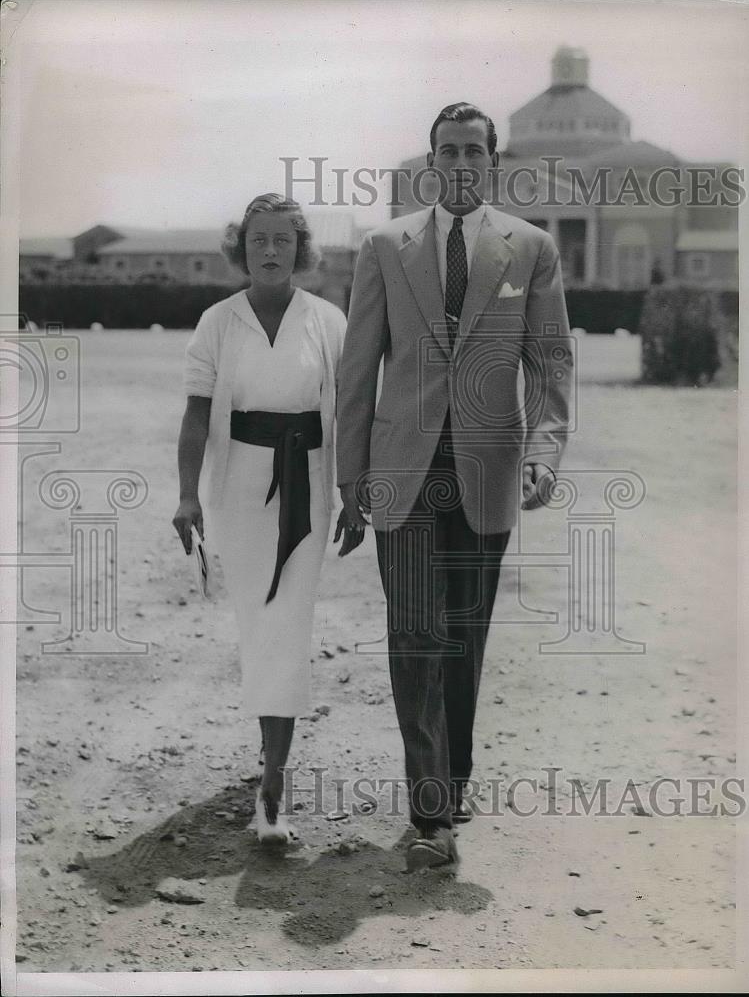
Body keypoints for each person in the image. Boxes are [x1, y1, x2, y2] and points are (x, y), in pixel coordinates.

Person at [335, 103, 573, 871]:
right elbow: (357, 367)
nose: (461, 164)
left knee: (462, 637)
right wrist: (349, 477)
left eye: (474, 151)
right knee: (414, 633)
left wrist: (543, 450)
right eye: (448, 151)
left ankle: (453, 781)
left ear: (492, 161)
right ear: (430, 162)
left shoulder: (529, 247)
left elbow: (550, 363)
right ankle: (429, 815)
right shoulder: (383, 245)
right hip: (401, 470)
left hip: (487, 468)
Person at [173, 194, 351, 845]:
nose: (270, 252)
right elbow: (196, 415)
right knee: (259, 627)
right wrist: (187, 496)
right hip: (238, 488)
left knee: (288, 625)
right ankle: (268, 758)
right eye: (257, 241)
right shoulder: (216, 323)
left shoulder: (328, 321)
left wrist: (353, 492)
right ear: (240, 250)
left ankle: (273, 787)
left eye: (282, 240)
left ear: (300, 249)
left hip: (307, 481)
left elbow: (351, 413)